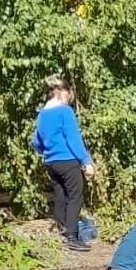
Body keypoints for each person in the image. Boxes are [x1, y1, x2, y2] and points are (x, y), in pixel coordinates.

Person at [31, 75, 96, 251]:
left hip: (51, 163)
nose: (69, 99)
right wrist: (86, 162)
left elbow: (35, 142)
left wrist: (47, 151)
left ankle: (61, 232)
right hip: (67, 161)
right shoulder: (64, 112)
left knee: (60, 197)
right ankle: (71, 237)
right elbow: (73, 139)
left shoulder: (42, 114)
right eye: (68, 95)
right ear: (61, 92)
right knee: (75, 197)